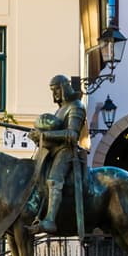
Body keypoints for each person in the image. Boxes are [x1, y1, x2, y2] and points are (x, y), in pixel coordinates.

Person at [30, 75, 86, 234]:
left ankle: (50, 220)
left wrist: (44, 136)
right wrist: (38, 136)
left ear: (64, 88)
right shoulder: (60, 110)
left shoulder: (76, 106)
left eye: (56, 90)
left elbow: (72, 134)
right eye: (52, 91)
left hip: (67, 151)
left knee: (54, 180)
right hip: (52, 150)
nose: (54, 94)